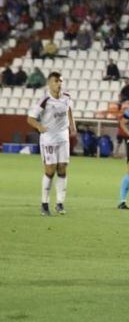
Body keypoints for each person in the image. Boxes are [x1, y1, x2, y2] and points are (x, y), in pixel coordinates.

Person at [26, 72, 75, 216]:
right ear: (49, 83)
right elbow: (30, 119)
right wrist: (39, 127)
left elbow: (69, 110)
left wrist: (72, 125)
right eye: (56, 81)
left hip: (63, 138)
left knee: (62, 169)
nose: (59, 83)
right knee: (50, 170)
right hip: (49, 139)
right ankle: (44, 204)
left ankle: (60, 203)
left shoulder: (67, 96)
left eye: (60, 80)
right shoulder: (45, 100)